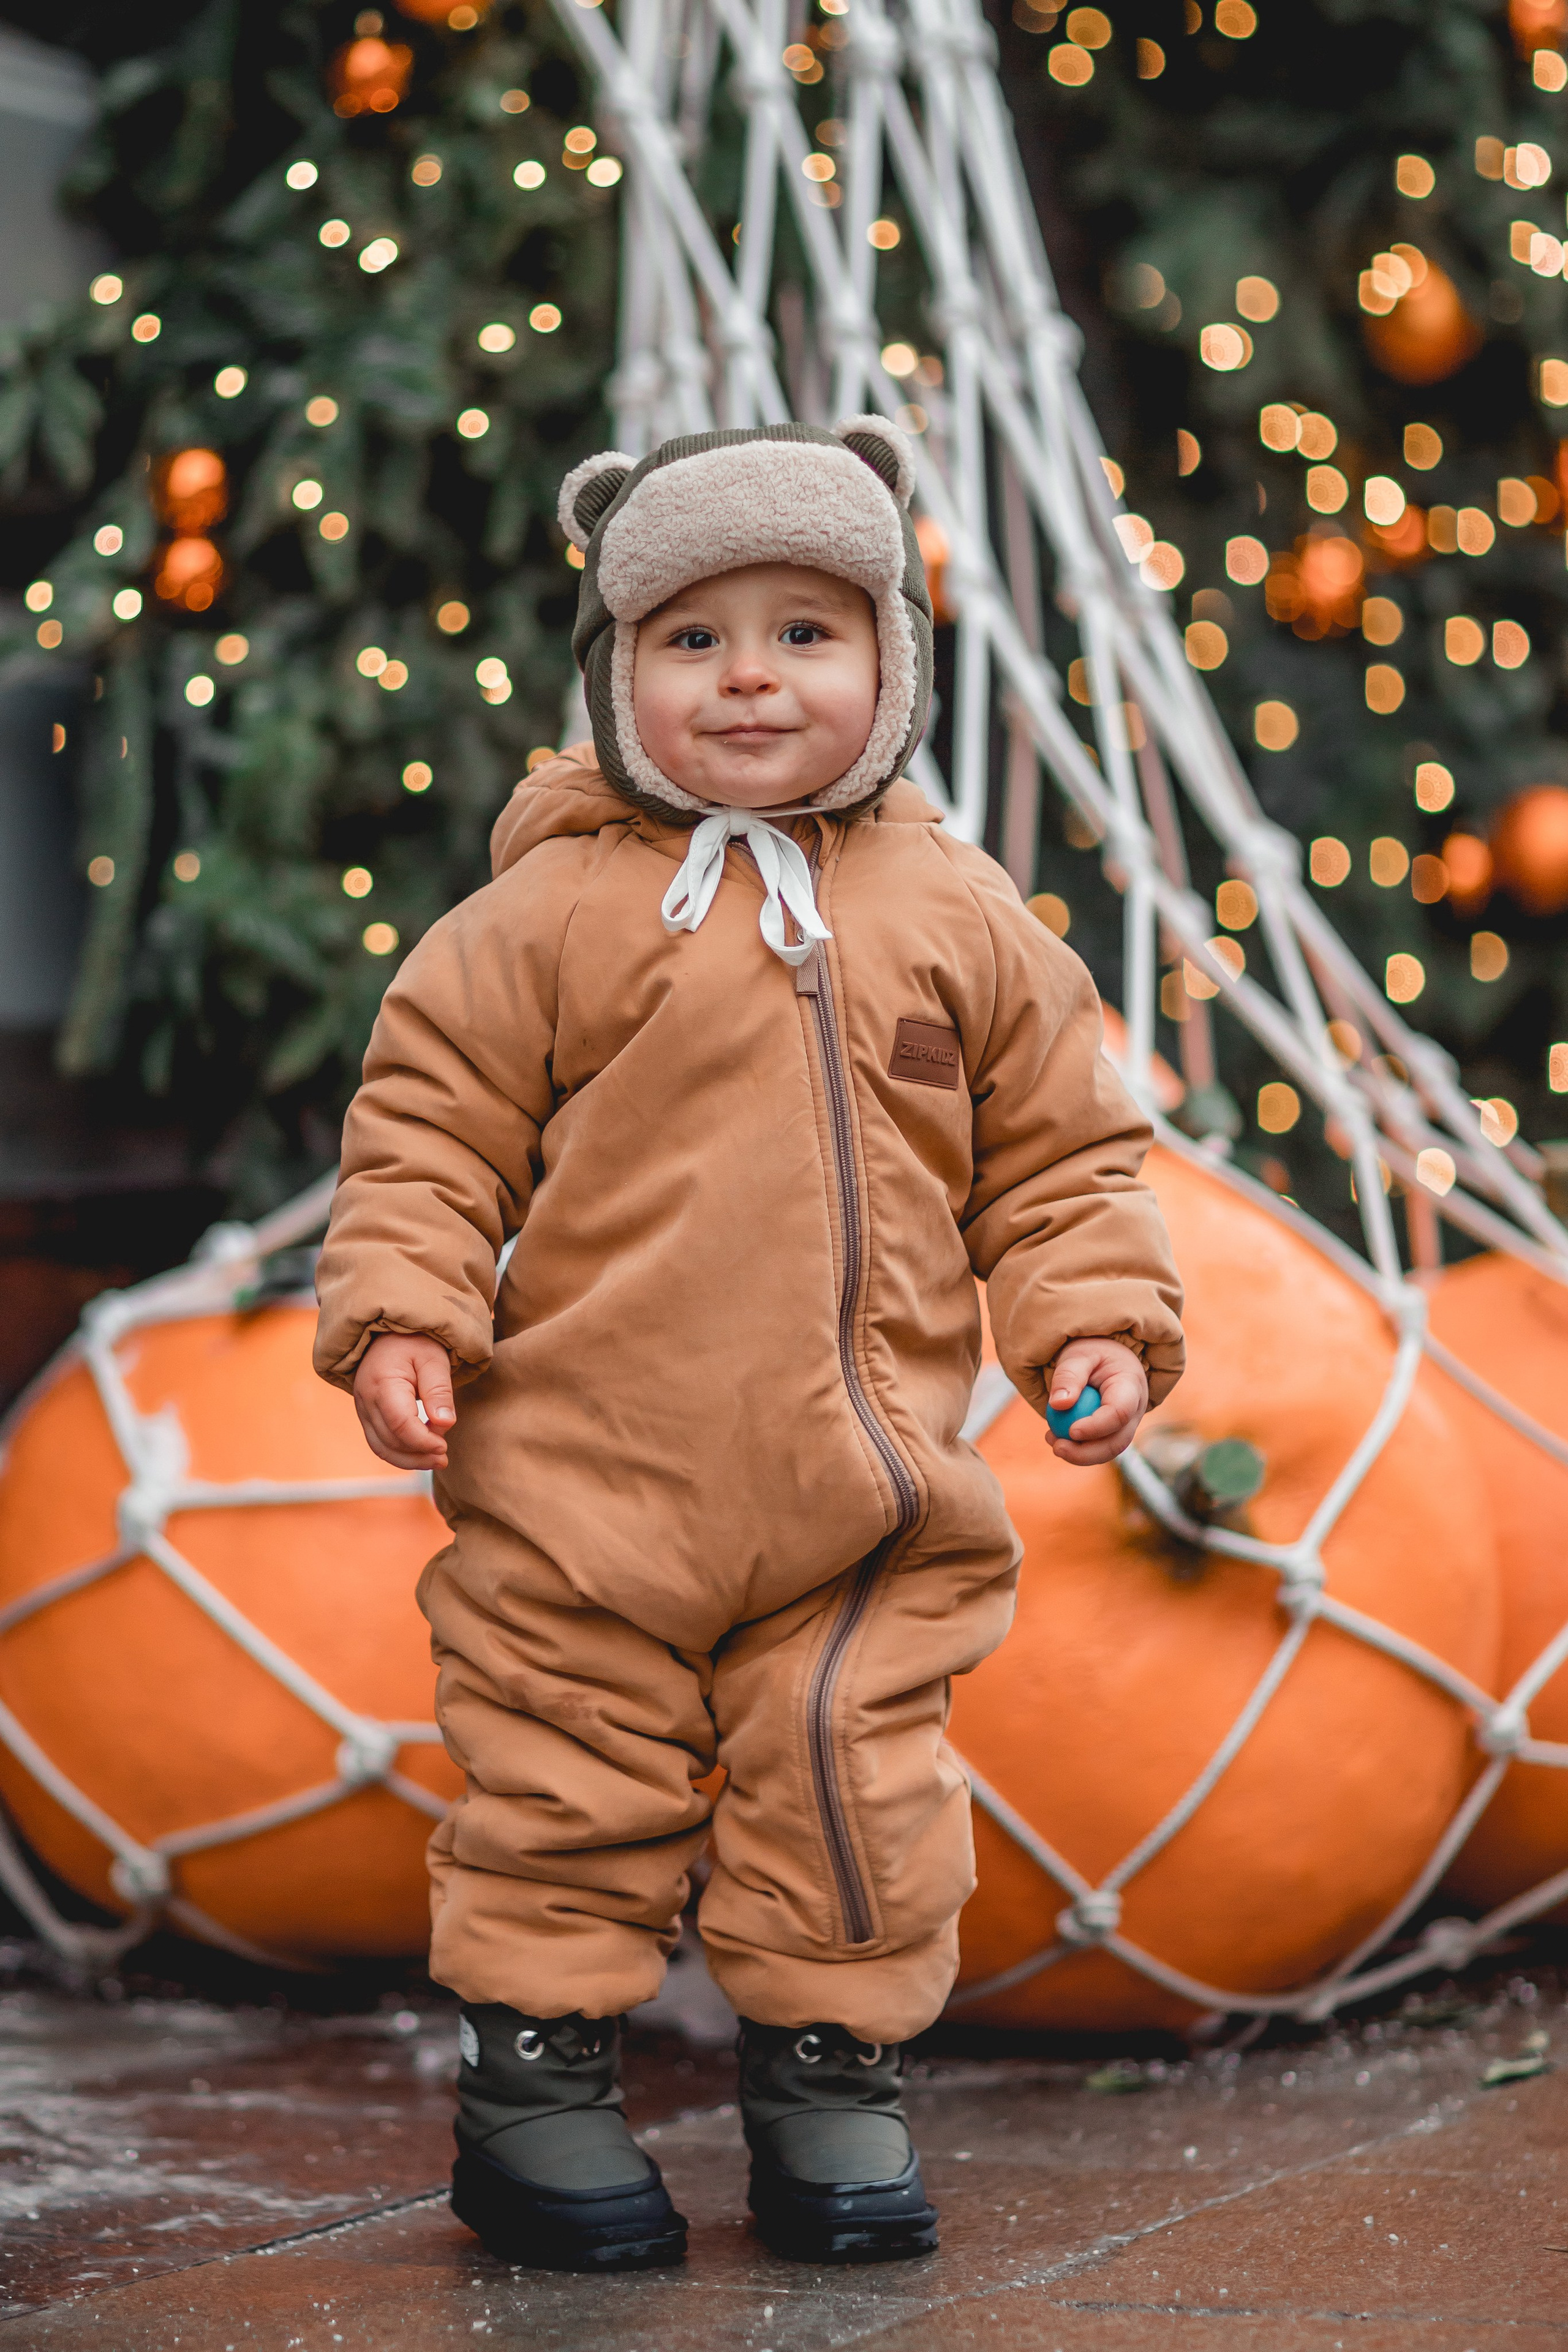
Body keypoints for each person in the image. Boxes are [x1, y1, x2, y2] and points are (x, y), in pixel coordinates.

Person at [314, 417, 1185, 2275]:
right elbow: (428, 1129)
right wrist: (404, 1310)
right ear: (616, 671)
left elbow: (1061, 1160)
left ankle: (828, 2078)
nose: (750, 679)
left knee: (855, 1779)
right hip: (583, 1476)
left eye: (807, 631)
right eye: (691, 637)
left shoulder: (960, 916)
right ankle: (536, 2091)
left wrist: (1093, 1318)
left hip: (864, 1488)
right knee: (564, 1776)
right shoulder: (542, 913)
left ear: (893, 662)